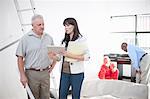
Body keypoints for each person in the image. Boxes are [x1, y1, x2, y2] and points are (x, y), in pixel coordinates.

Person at [16, 14, 56, 99]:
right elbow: (20, 58)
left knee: (45, 97)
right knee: (33, 97)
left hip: (45, 73)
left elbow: (54, 53)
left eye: (43, 24)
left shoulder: (48, 38)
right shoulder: (25, 39)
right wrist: (22, 75)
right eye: (39, 25)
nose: (42, 26)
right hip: (31, 74)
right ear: (33, 26)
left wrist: (52, 66)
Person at [58, 18, 90, 99]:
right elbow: (60, 58)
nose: (66, 27)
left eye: (68, 25)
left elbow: (87, 56)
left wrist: (69, 55)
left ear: (74, 26)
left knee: (75, 96)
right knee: (62, 95)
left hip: (77, 73)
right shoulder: (64, 41)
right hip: (64, 72)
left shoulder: (81, 40)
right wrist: (53, 55)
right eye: (65, 25)